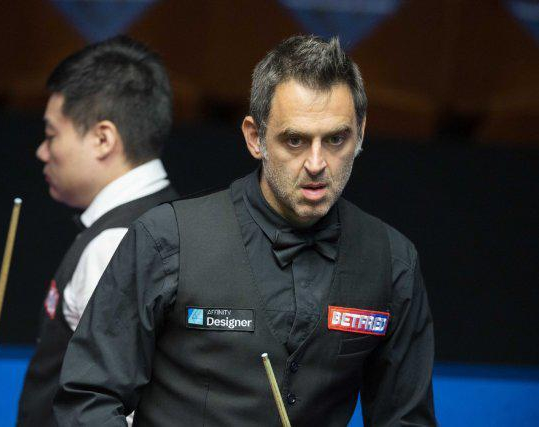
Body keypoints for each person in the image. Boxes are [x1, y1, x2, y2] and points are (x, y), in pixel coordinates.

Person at [55, 35, 436, 426]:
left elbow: (406, 421)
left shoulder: (392, 262)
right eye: (295, 140)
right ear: (255, 138)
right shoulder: (167, 239)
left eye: (336, 139)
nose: (316, 163)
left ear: (361, 133)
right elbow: (89, 398)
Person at [16, 36, 178, 427]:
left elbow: (117, 410)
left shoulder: (115, 245)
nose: (42, 151)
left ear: (103, 139)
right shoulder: (172, 216)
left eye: (51, 135)